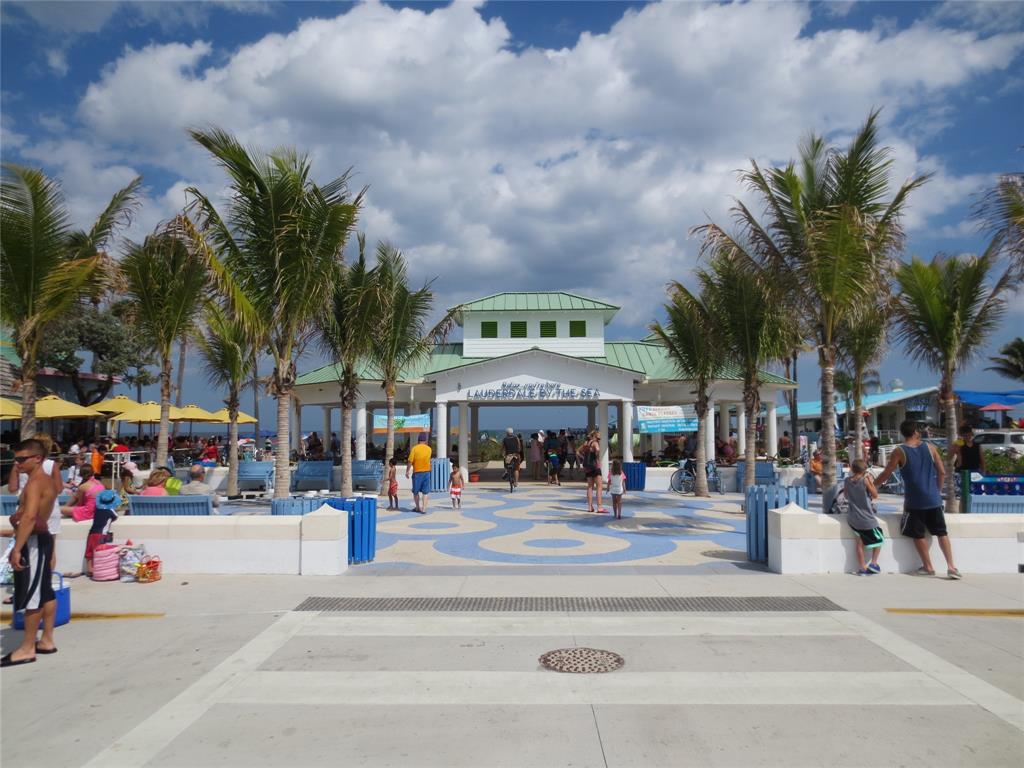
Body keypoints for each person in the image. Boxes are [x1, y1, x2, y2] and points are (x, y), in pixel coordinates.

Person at [876, 420, 960, 579]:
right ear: (915, 431)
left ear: (903, 433)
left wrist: (872, 485)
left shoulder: (899, 451)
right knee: (942, 533)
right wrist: (936, 490)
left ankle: (928, 567)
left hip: (914, 501)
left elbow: (886, 473)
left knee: (918, 535)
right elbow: (942, 472)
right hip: (933, 499)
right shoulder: (930, 448)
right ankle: (951, 567)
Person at [4, 439, 60, 667]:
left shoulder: (37, 482)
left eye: (21, 459)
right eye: (16, 459)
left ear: (37, 458)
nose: (17, 463)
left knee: (33, 595)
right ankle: (46, 639)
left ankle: (27, 647)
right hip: (40, 539)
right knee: (45, 591)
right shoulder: (41, 480)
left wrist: (17, 548)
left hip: (35, 542)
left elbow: (29, 517)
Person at [844, 459, 883, 575]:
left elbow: (846, 495)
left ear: (852, 468)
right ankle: (874, 563)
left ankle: (862, 567)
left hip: (853, 518)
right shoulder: (864, 480)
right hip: (866, 518)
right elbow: (875, 495)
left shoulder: (847, 480)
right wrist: (870, 482)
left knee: (859, 543)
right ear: (864, 470)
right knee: (880, 539)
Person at [74, 489, 119, 579]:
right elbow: (115, 517)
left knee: (89, 552)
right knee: (100, 552)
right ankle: (99, 570)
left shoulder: (97, 509)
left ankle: (89, 569)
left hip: (91, 533)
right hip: (101, 534)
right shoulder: (110, 510)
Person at [579, 431, 605, 513]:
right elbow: (597, 449)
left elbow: (578, 452)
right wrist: (596, 454)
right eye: (598, 438)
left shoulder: (586, 443)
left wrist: (584, 458)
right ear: (594, 436)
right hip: (595, 466)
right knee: (599, 486)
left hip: (587, 467)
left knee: (590, 487)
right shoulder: (595, 443)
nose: (599, 440)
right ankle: (599, 507)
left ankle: (590, 507)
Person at [406, 433, 432, 514]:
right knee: (425, 492)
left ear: (418, 440)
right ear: (425, 440)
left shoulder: (414, 448)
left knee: (416, 491)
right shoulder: (429, 449)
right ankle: (424, 508)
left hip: (417, 473)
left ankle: (417, 507)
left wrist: (407, 471)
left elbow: (410, 461)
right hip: (427, 472)